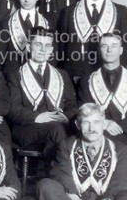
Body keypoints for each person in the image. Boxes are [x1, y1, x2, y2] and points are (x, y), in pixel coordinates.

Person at [77, 32, 127, 163]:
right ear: (99, 50)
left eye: (114, 46)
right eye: (104, 46)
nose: (109, 49)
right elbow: (83, 111)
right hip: (99, 134)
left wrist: (119, 126)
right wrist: (104, 123)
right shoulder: (87, 80)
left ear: (121, 50)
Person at [7, 27, 77, 157]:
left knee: (75, 128)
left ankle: (47, 172)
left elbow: (72, 105)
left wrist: (65, 116)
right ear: (28, 47)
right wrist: (38, 117)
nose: (43, 50)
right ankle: (60, 174)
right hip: (27, 129)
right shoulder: (15, 75)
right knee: (56, 129)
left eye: (47, 46)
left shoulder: (62, 74)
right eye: (38, 45)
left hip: (57, 126)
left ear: (51, 50)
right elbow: (13, 109)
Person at [57, 0, 127, 81]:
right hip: (76, 78)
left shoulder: (121, 12)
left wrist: (114, 73)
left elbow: (126, 47)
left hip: (108, 76)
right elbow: (62, 47)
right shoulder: (68, 12)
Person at [0, 0, 54, 77]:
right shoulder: (5, 24)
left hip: (40, 79)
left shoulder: (48, 23)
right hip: (12, 80)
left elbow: (53, 57)